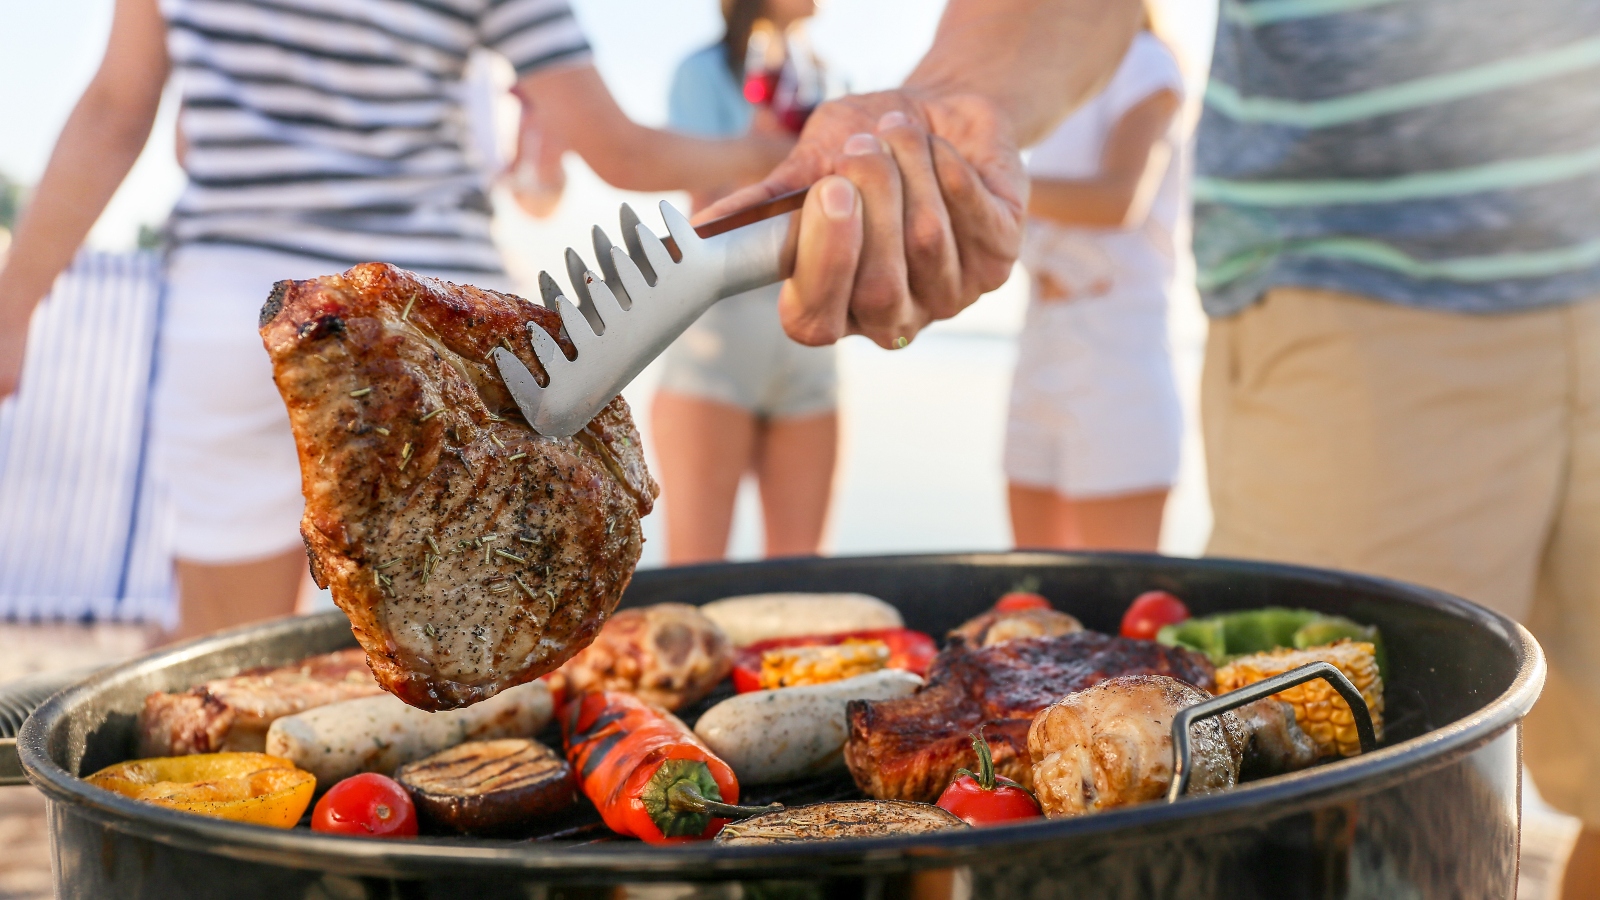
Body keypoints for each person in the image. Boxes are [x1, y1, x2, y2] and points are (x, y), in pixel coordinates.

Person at [0, 0, 789, 642]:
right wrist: (768, 157)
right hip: (442, 326)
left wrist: (13, 308)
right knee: (473, 661)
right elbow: (622, 152)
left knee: (227, 661)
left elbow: (114, 112)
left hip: (244, 310)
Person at [651, 0, 839, 563]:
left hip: (807, 327)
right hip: (719, 326)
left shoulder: (820, 76)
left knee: (801, 575)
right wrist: (758, 150)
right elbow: (701, 210)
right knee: (697, 572)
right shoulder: (701, 73)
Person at [1004, 10, 1186, 552]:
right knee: (1031, 584)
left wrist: (986, 178)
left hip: (1116, 358)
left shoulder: (1148, 63)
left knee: (1119, 597)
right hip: (1041, 344)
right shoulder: (1059, 81)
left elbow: (1118, 198)